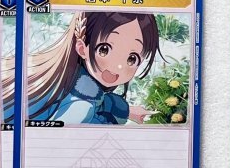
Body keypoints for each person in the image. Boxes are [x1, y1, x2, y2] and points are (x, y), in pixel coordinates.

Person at [24, 11, 163, 125]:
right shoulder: (81, 104)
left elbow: (100, 101)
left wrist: (127, 111)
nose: (118, 66)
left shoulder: (75, 79)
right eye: (104, 50)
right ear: (82, 48)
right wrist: (115, 120)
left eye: (132, 58)